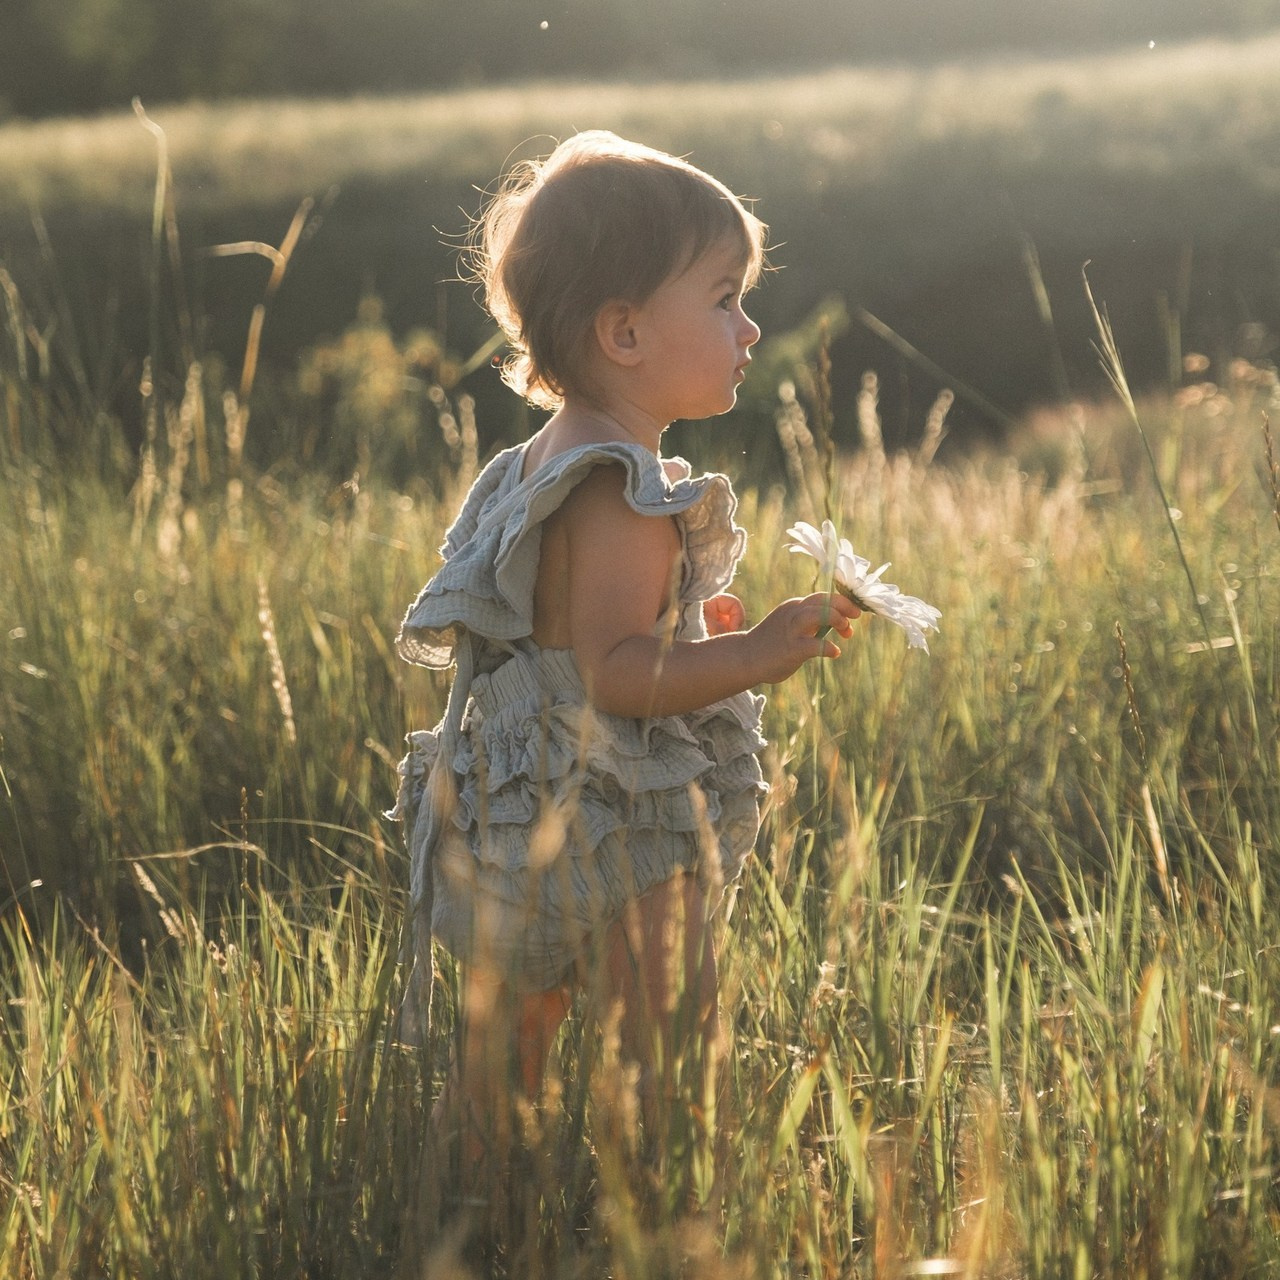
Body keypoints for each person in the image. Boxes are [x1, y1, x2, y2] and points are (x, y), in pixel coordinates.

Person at [391, 130, 859, 1208]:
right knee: (667, 1047)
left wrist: (688, 634)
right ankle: (670, 1216)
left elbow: (565, 637)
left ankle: (464, 1216)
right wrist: (751, 653)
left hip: (513, 809)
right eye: (725, 299)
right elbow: (613, 673)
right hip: (613, 812)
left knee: (505, 1054)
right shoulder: (623, 484)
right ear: (626, 330)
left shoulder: (538, 460)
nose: (749, 328)